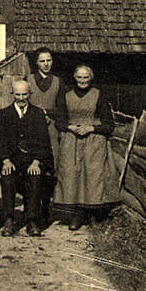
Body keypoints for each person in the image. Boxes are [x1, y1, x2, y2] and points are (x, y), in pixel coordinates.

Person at [53, 64, 120, 231]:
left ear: (91, 78)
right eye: (79, 77)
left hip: (93, 142)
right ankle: (76, 215)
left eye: (86, 77)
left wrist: (91, 128)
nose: (82, 81)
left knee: (93, 176)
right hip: (72, 141)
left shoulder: (99, 95)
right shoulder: (66, 95)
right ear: (75, 78)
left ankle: (92, 215)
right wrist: (69, 127)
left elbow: (109, 125)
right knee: (72, 176)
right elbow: (59, 120)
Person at [0, 79, 53, 237]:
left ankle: (32, 220)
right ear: (12, 94)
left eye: (24, 94)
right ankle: (8, 219)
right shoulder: (4, 114)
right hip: (11, 161)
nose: (21, 98)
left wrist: (36, 162)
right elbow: (0, 141)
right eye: (18, 94)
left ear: (30, 94)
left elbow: (43, 142)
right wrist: (5, 160)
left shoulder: (37, 113)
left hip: (31, 161)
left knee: (34, 177)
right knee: (7, 177)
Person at [27, 47, 65, 225]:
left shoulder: (58, 82)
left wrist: (47, 112)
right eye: (42, 61)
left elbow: (62, 109)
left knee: (51, 166)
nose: (46, 64)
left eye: (49, 60)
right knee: (33, 166)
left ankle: (46, 206)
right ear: (37, 63)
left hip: (51, 130)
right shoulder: (28, 81)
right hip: (33, 131)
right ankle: (32, 207)